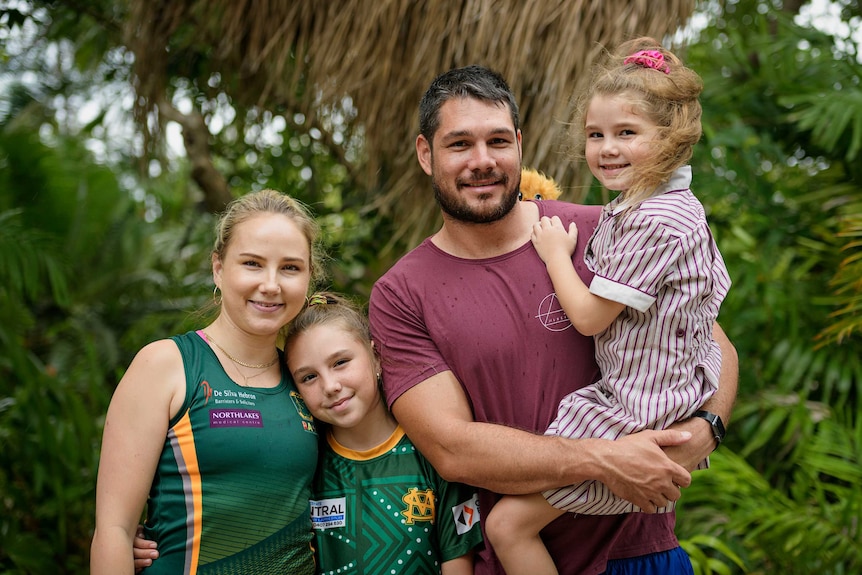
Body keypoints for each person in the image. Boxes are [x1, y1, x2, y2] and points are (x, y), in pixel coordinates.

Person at [368, 63, 738, 575]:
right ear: (425, 154)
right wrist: (604, 458)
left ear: (519, 144)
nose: (483, 161)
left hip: (640, 554)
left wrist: (707, 427)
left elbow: (710, 341)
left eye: (498, 141)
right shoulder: (401, 294)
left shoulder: (602, 230)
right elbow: (452, 447)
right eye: (459, 144)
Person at [483, 38, 730, 575]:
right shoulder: (664, 208)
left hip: (637, 416)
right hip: (663, 392)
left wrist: (554, 256)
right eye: (596, 135)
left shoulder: (653, 222)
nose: (606, 149)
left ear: (669, 140)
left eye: (627, 134)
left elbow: (591, 317)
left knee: (505, 525)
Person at [91, 189, 323, 575]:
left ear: (308, 277)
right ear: (218, 268)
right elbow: (114, 532)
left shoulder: (311, 382)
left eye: (290, 268)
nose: (270, 284)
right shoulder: (165, 365)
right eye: (252, 263)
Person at [283, 291, 483, 574]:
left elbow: (458, 559)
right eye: (309, 377)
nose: (329, 386)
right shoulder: (307, 465)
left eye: (340, 362)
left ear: (376, 357)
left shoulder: (432, 448)